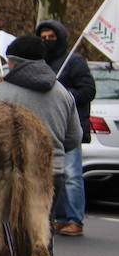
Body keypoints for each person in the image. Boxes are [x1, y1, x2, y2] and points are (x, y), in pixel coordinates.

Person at [0, 34, 82, 256]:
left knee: (16, 237)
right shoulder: (61, 91)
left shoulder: (2, 94)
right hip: (50, 173)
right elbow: (74, 138)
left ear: (15, 63)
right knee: (43, 236)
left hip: (14, 174)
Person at [36, 20, 95, 237]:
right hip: (48, 127)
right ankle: (60, 217)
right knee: (54, 174)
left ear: (59, 38)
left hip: (69, 127)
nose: (47, 41)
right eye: (43, 38)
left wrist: (63, 97)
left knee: (72, 175)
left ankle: (75, 219)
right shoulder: (41, 63)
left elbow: (88, 90)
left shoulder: (74, 61)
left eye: (51, 37)